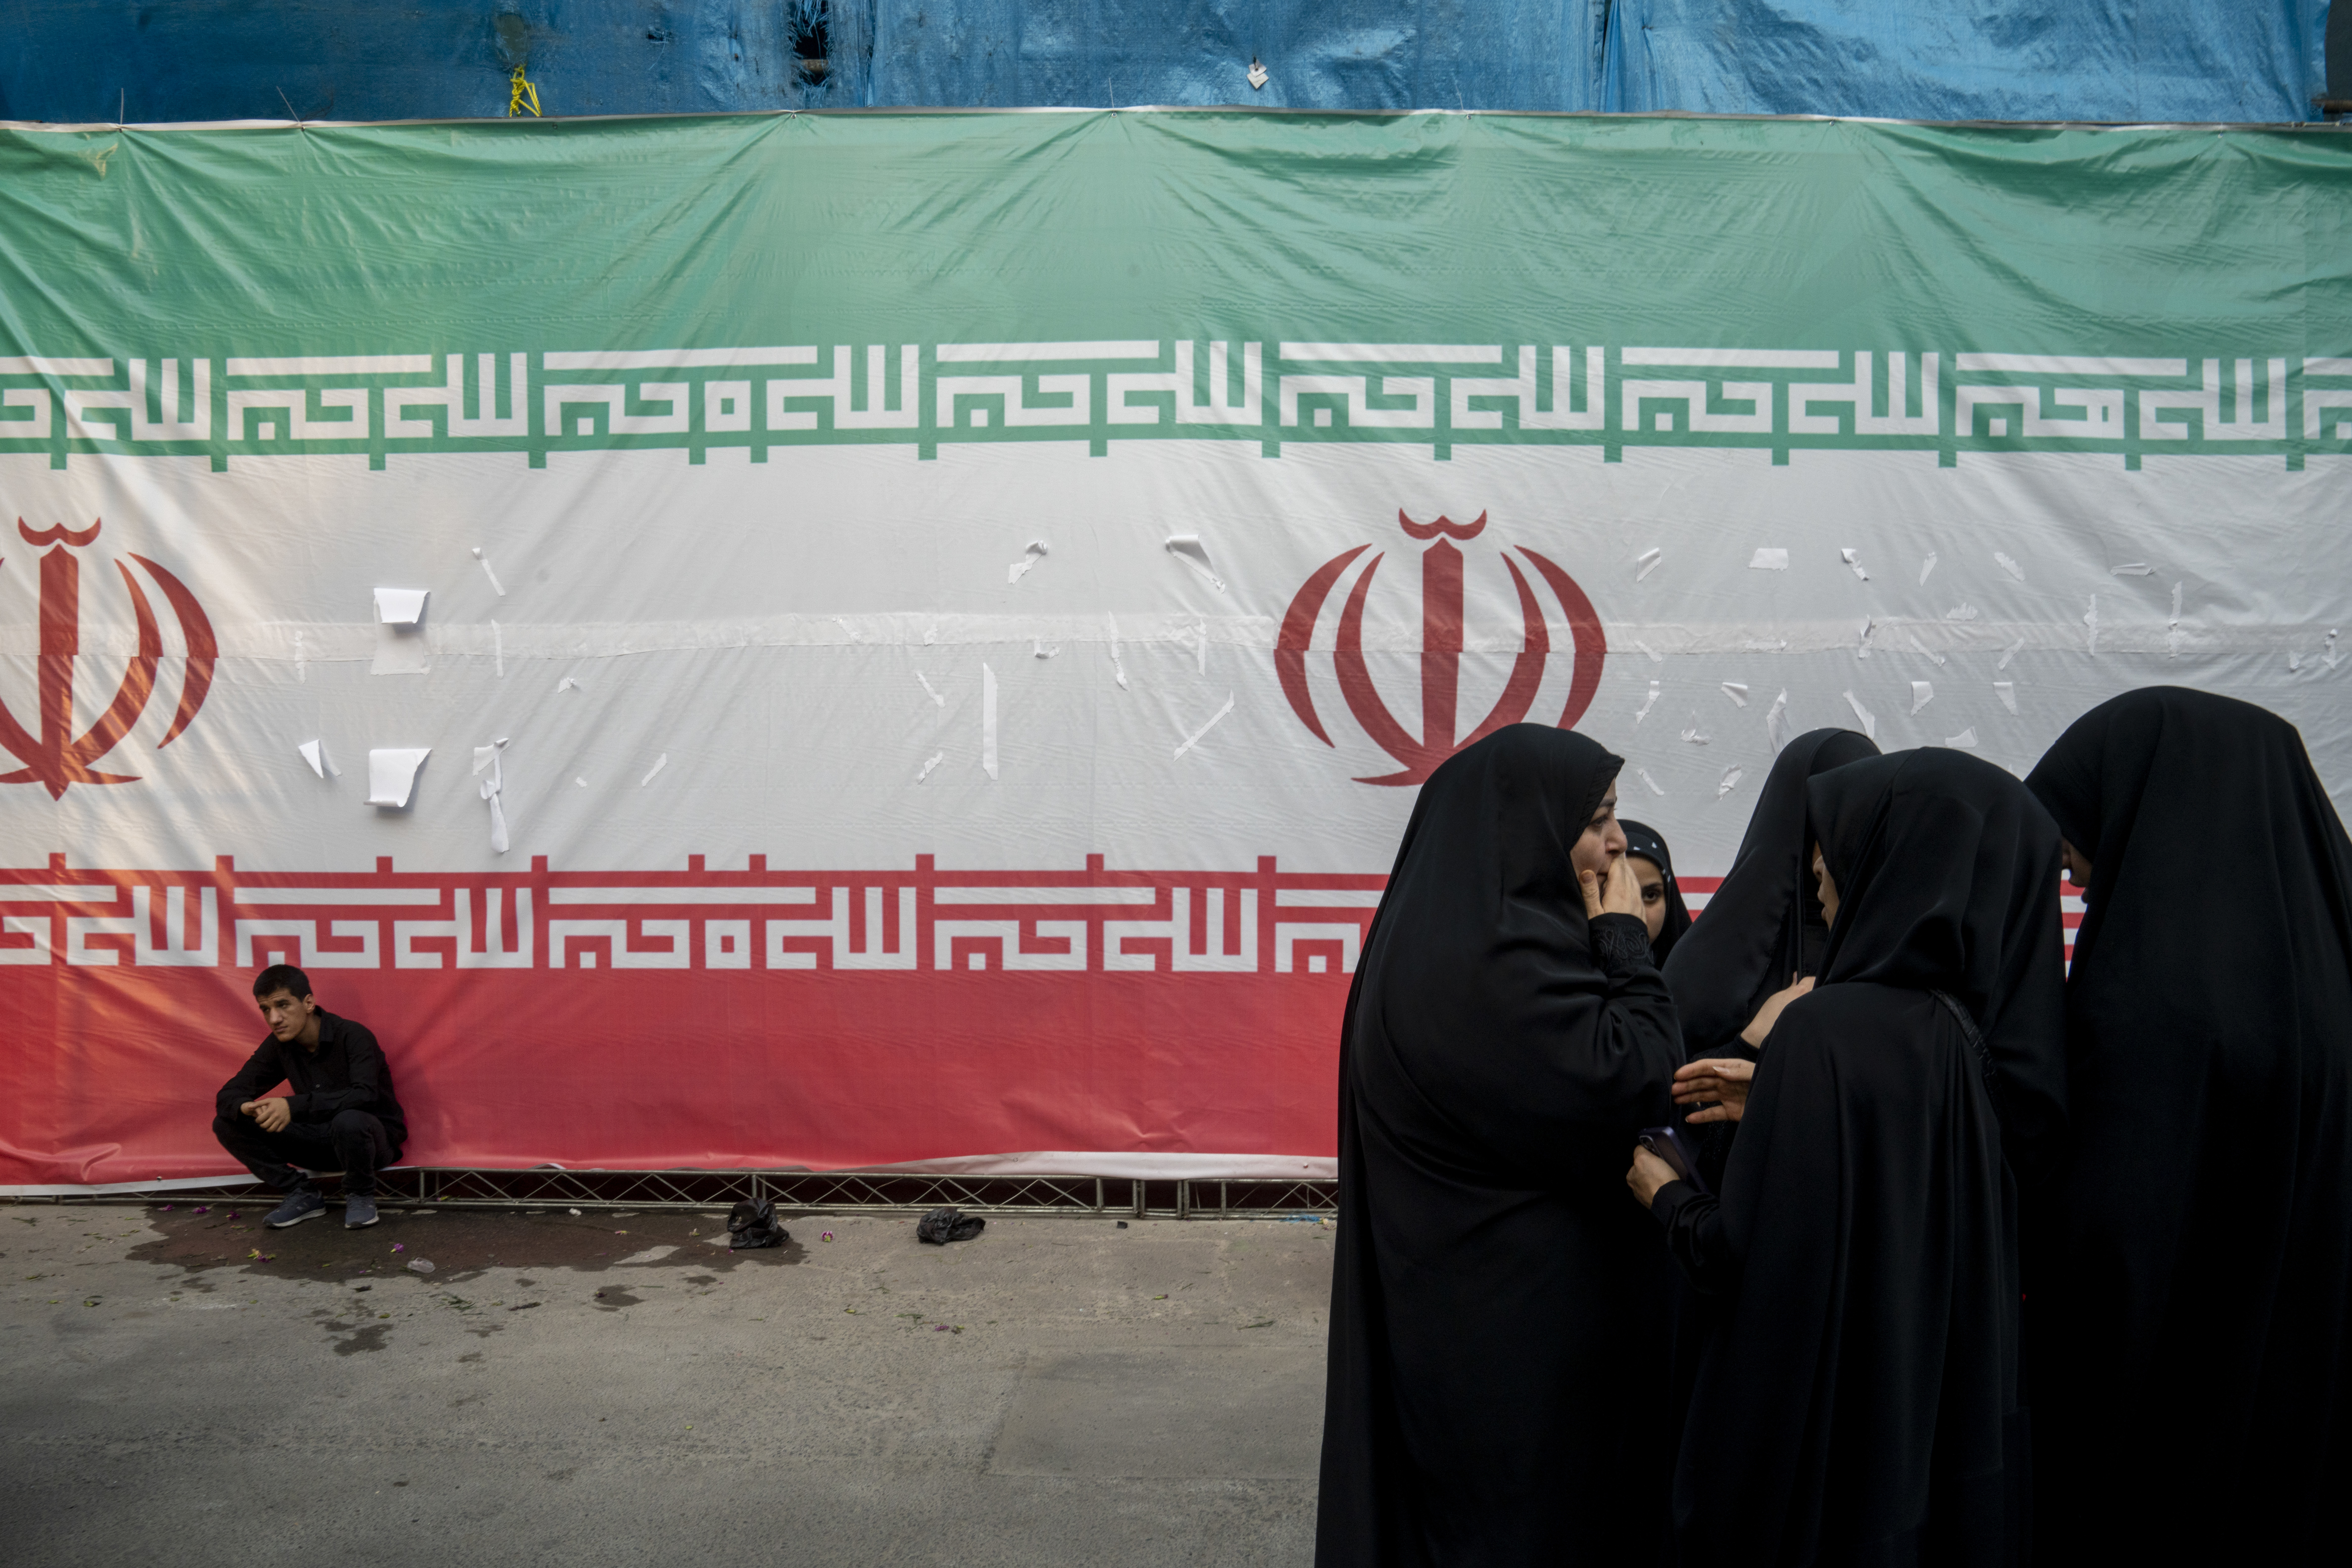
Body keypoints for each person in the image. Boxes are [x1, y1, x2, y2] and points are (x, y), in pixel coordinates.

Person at [1627, 747, 2066, 1566]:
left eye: (1842, 841)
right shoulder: (1964, 1033)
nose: (1819, 867)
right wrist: (1780, 1102)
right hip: (1922, 1437)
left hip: (1819, 1442)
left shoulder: (1826, 1028)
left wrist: (1665, 1193)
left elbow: (1741, 1254)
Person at [1316, 724, 1685, 1566]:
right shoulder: (1500, 964)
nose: (1618, 842)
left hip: (1463, 1307)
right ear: (1529, 828)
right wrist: (1628, 945)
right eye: (1597, 819)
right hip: (1516, 1338)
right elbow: (1636, 1080)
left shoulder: (1444, 936)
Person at [2023, 687, 2352, 1560]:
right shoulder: (2332, 973)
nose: (2071, 866)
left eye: (2076, 832)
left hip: (2164, 1427)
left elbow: (2107, 1239)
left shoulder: (2153, 995)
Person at [213, 965, 406, 1230]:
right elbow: (229, 1094)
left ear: (309, 1003)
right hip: (318, 1143)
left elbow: (365, 1096)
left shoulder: (353, 1036)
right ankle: (302, 1194)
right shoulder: (279, 1045)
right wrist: (247, 1107)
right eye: (266, 1009)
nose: (275, 1018)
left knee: (349, 1120)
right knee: (227, 1121)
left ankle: (360, 1195)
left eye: (283, 1005)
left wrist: (292, 1106)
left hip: (369, 1146)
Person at [1619, 818, 1692, 965]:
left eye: (1650, 896)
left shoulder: (1699, 980)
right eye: (1617, 894)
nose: (1636, 912)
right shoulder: (1566, 980)